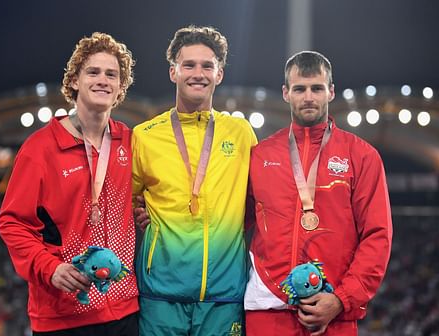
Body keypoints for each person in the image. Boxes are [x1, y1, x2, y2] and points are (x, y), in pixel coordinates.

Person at [0, 32, 139, 335]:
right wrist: (51, 268)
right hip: (63, 315)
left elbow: (146, 196)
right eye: (93, 72)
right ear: (74, 81)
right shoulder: (40, 149)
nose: (103, 80)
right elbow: (12, 223)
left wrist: (145, 211)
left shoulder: (129, 142)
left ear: (119, 88)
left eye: (111, 74)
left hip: (125, 311)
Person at [244, 51, 392, 335]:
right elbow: (230, 219)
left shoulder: (361, 156)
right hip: (267, 307)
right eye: (299, 89)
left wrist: (342, 299)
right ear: (286, 93)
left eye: (317, 88)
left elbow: (378, 235)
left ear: (331, 92)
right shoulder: (260, 156)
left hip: (333, 310)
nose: (308, 97)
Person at [132, 25, 257, 335]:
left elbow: (262, 198)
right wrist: (137, 214)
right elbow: (122, 201)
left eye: (207, 66)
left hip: (224, 297)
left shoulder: (241, 134)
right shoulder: (145, 136)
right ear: (173, 71)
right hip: (160, 296)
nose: (197, 73)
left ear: (219, 74)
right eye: (188, 65)